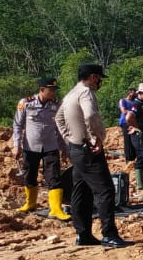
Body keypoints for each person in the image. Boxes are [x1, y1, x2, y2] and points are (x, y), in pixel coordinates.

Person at [55, 63, 130, 249]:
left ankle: (83, 235)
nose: (100, 82)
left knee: (81, 191)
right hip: (88, 150)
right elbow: (89, 115)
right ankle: (109, 235)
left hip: (76, 149)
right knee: (105, 190)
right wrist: (95, 137)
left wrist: (69, 138)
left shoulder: (71, 93)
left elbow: (58, 118)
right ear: (93, 77)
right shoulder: (86, 93)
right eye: (99, 78)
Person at [12, 77, 71, 221]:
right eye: (50, 90)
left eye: (54, 90)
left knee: (54, 176)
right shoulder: (26, 103)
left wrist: (64, 148)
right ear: (42, 90)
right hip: (30, 146)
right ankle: (30, 204)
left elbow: (60, 127)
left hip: (51, 146)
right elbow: (18, 125)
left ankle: (56, 209)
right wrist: (16, 145)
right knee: (29, 175)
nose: (53, 93)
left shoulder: (57, 105)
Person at [118, 88, 137, 162]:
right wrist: (131, 113)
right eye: (134, 93)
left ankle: (134, 157)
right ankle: (128, 159)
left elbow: (135, 111)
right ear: (129, 92)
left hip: (133, 122)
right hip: (125, 122)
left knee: (134, 140)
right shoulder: (123, 100)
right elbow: (123, 110)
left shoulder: (134, 102)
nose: (135, 94)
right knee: (127, 141)